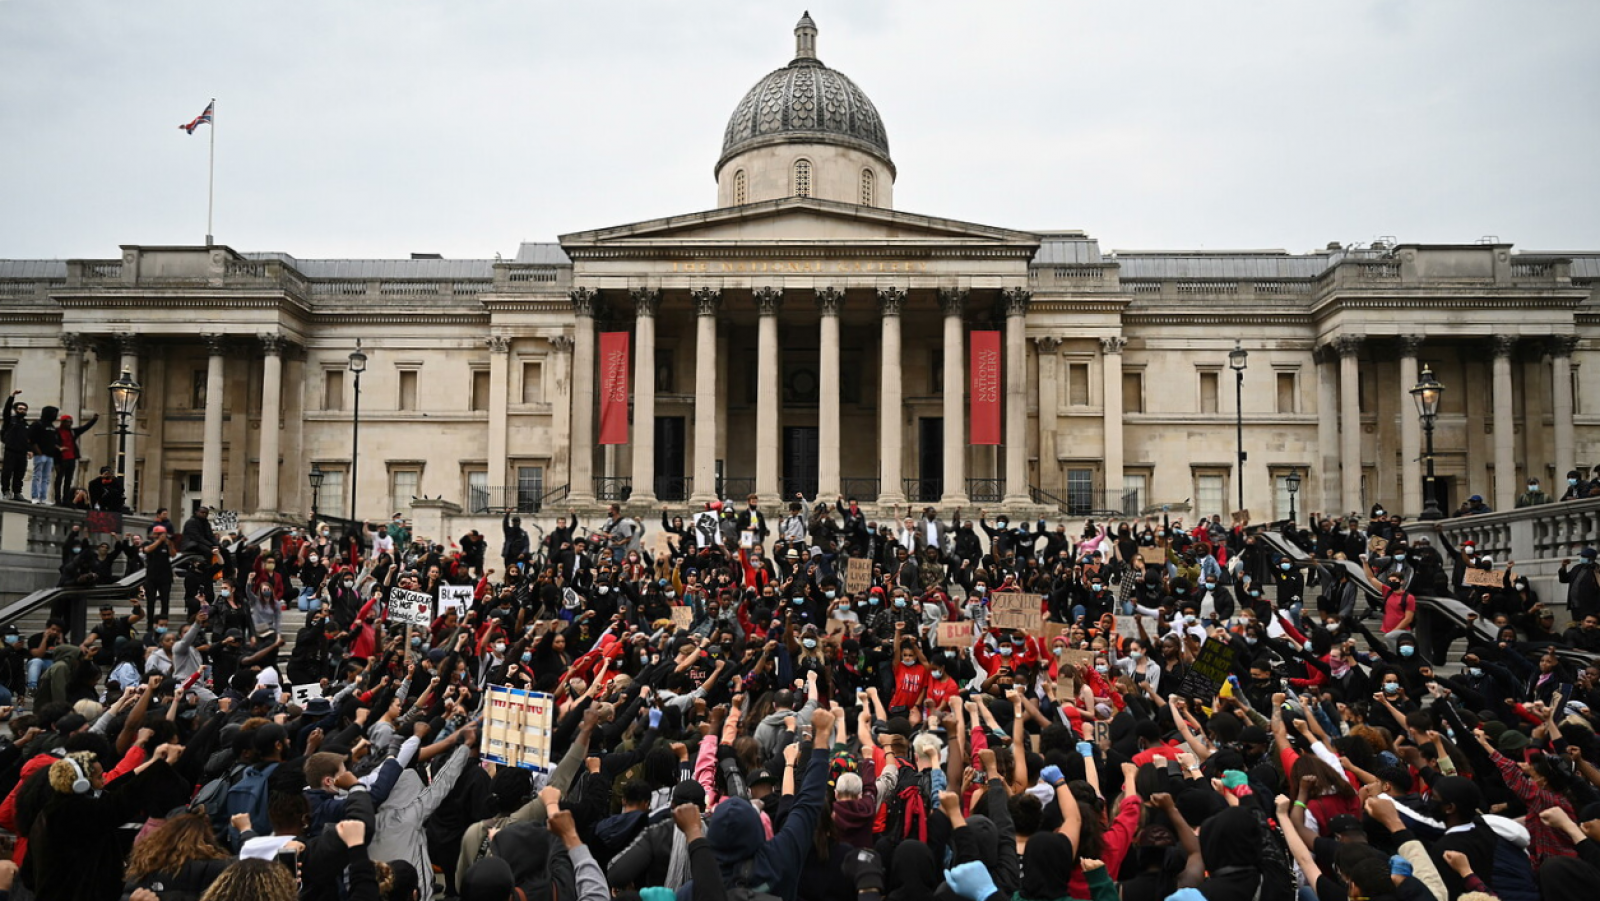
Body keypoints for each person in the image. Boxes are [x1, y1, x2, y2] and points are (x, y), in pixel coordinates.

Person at [50, 411, 97, 505]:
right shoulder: (56, 432)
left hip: (71, 459)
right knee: (59, 480)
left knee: (68, 480)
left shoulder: (72, 432)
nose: (69, 423)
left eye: (70, 422)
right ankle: (57, 499)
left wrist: (93, 420)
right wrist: (57, 459)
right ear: (62, 422)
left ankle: (66, 499)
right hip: (61, 459)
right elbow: (51, 444)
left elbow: (84, 428)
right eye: (67, 421)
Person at [24, 404, 59, 504]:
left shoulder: (52, 427)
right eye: (54, 413)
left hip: (50, 456)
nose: (55, 415)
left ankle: (43, 498)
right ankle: (35, 496)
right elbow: (30, 439)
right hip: (40, 455)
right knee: (37, 476)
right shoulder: (37, 424)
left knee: (46, 478)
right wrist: (38, 452)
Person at [0, 391, 29, 501]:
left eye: (24, 409)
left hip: (22, 453)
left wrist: (29, 450)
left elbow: (28, 440)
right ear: (16, 410)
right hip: (10, 451)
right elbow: (6, 410)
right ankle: (6, 491)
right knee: (7, 472)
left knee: (19, 474)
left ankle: (17, 493)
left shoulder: (26, 424)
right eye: (20, 409)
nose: (22, 411)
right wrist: (12, 396)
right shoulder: (10, 420)